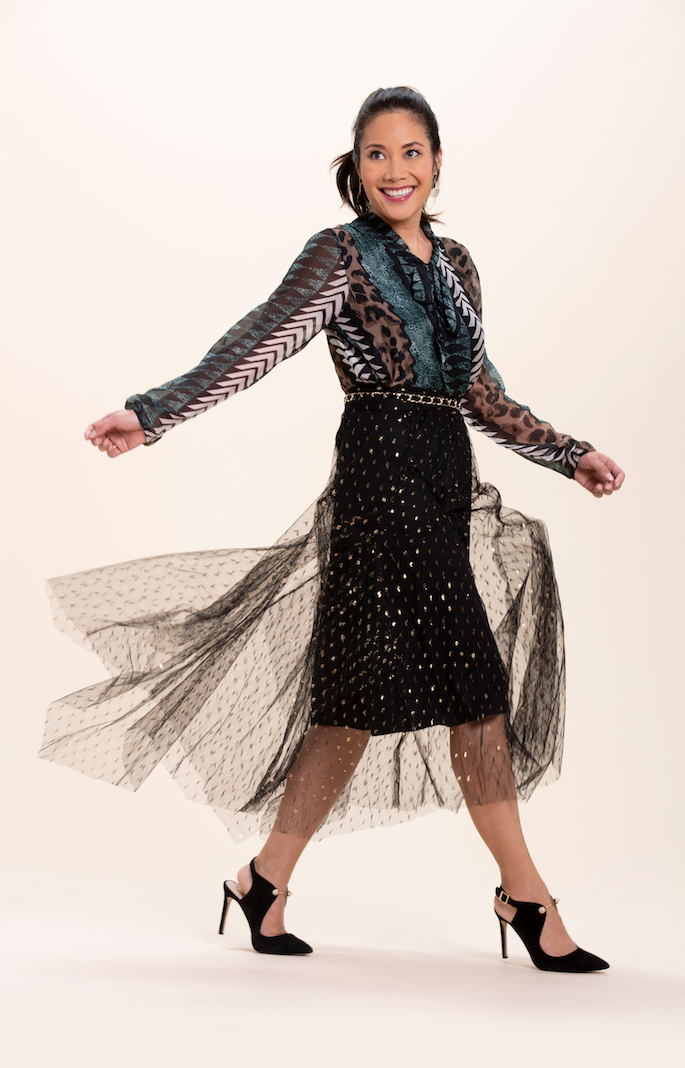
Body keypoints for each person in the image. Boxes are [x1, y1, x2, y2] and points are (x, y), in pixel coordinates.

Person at [42, 87, 624, 972]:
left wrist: (569, 453)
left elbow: (480, 392)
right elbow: (257, 341)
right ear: (356, 167)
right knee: (477, 686)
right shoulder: (340, 254)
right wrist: (152, 413)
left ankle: (263, 880)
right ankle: (527, 896)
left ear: (437, 162)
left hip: (444, 478)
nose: (395, 170)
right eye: (377, 154)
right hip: (379, 476)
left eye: (412, 152)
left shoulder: (458, 265)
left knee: (349, 707)